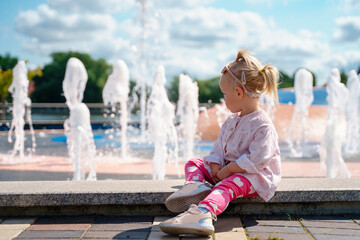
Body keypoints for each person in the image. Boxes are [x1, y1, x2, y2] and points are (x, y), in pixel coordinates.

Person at [159, 49, 282, 236]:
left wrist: (229, 170)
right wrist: (216, 164)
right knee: (194, 163)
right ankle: (197, 188)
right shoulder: (232, 120)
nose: (223, 99)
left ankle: (203, 213)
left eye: (225, 94)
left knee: (229, 185)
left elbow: (258, 160)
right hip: (226, 170)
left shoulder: (263, 125)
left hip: (252, 177)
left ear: (239, 93)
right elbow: (218, 148)